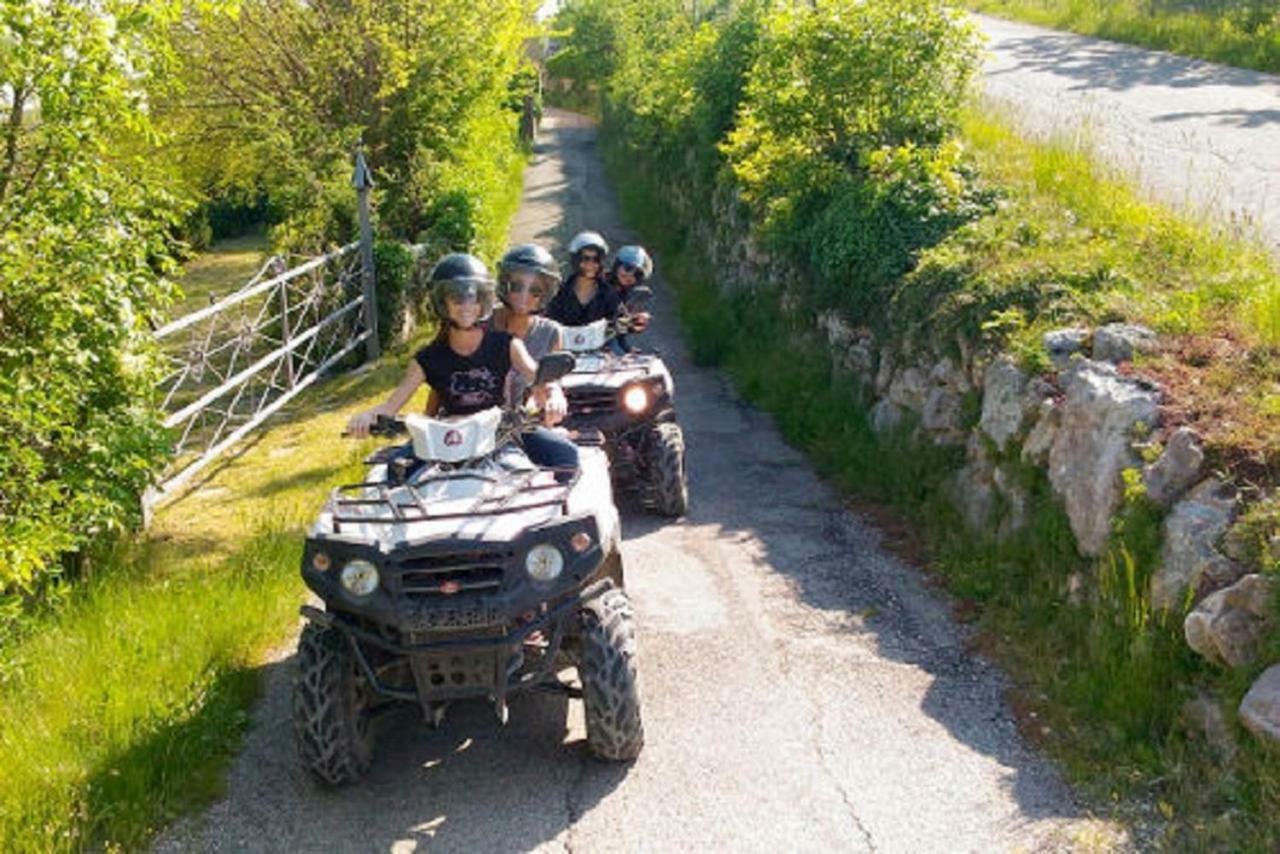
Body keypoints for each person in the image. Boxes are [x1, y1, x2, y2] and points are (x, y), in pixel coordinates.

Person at [346, 252, 578, 476]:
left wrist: (553, 390)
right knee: (395, 471)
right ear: (442, 303)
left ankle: (559, 512)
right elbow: (390, 406)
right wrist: (367, 417)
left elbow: (537, 376)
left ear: (484, 300)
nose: (467, 305)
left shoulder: (508, 344)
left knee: (565, 455)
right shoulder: (426, 358)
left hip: (501, 433)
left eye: (474, 297)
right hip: (448, 436)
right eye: (457, 298)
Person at [544, 230, 621, 328]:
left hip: (601, 342)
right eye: (585, 258)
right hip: (564, 341)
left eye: (596, 259)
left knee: (617, 343)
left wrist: (636, 321)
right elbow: (549, 320)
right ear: (575, 260)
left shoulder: (608, 293)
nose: (590, 264)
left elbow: (619, 318)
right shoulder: (560, 292)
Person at [607, 245, 654, 348]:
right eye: (628, 268)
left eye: (637, 274)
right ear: (617, 266)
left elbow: (616, 332)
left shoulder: (626, 293)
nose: (630, 275)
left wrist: (632, 324)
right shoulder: (599, 284)